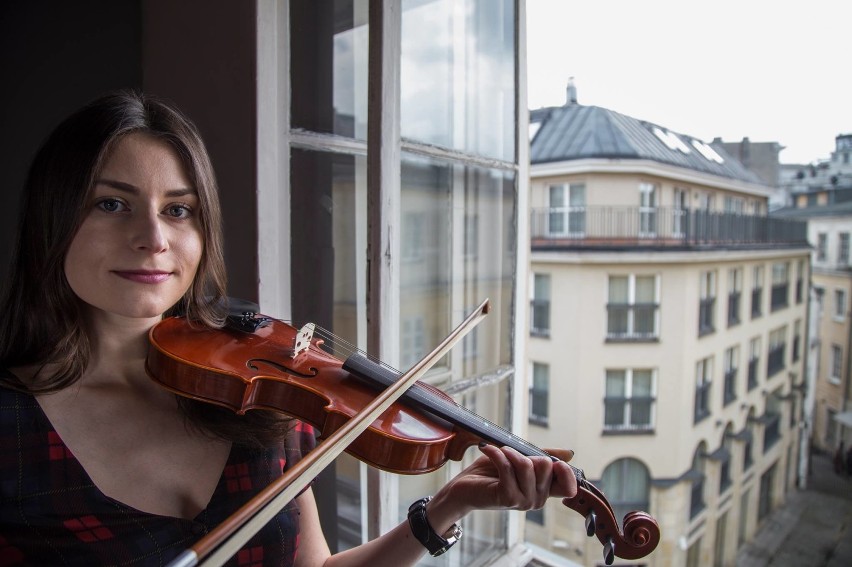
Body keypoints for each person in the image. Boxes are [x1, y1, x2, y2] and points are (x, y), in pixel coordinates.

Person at [0, 91, 577, 566]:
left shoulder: (261, 398)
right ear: (54, 215)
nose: (154, 238)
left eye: (179, 210)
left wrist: (449, 505)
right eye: (111, 204)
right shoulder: (13, 428)